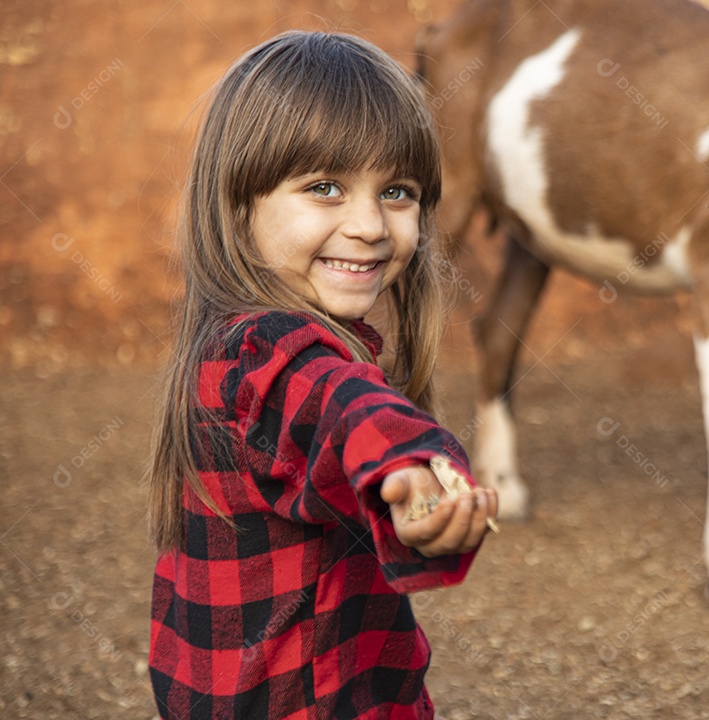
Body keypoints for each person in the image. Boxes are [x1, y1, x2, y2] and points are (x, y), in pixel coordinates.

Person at [145, 30, 498, 719]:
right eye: (326, 188)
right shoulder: (264, 353)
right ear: (238, 207)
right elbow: (342, 409)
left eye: (397, 191)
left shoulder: (237, 346)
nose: (369, 224)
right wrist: (413, 465)